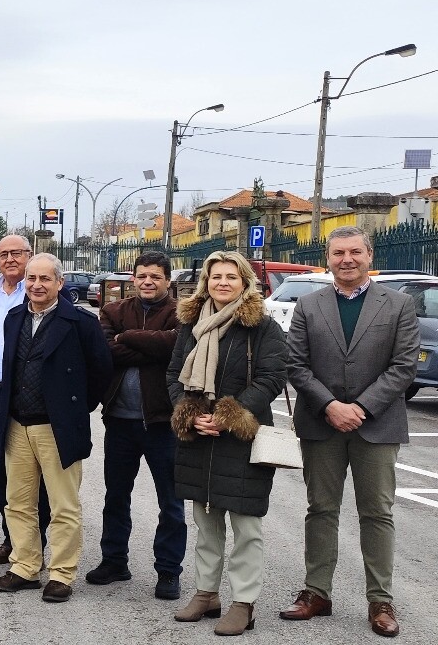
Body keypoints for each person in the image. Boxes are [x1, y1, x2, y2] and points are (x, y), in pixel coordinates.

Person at [281, 226, 417, 638]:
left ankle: (380, 600)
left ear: (369, 256)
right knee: (320, 510)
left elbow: (404, 365)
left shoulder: (399, 305)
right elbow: (296, 363)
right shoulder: (308, 304)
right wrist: (330, 406)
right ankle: (316, 593)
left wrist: (359, 408)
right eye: (338, 252)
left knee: (376, 512)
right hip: (321, 424)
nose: (347, 260)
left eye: (355, 252)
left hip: (377, 425)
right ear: (328, 257)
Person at [166, 251, 286, 636]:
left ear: (245, 281)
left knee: (246, 526)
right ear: (206, 281)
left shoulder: (263, 327)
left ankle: (243, 603)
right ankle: (206, 594)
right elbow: (173, 374)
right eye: (215, 276)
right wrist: (188, 412)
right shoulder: (191, 324)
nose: (222, 283)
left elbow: (271, 378)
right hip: (200, 439)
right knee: (206, 523)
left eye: (230, 277)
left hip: (243, 439)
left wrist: (229, 414)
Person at [0, 253, 110, 604]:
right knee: (19, 503)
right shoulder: (14, 318)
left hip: (57, 427)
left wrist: (74, 409)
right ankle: (25, 566)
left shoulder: (81, 323)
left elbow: (101, 370)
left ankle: (61, 574)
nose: (37, 285)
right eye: (31, 279)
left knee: (63, 506)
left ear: (60, 283)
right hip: (17, 424)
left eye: (45, 279)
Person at [88, 251, 186, 600]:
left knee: (171, 503)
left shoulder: (182, 313)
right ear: (133, 279)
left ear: (168, 281)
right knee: (115, 496)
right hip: (119, 421)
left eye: (155, 277)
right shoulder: (113, 311)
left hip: (163, 423)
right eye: (142, 276)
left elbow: (176, 349)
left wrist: (126, 338)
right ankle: (114, 561)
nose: (148, 282)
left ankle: (169, 571)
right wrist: (150, 345)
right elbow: (106, 351)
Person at [0, 234, 49, 565]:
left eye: (16, 253)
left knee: (38, 474)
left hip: (28, 394)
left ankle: (37, 542)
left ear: (29, 255)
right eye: (3, 254)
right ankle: (12, 537)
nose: (9, 259)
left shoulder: (37, 292)